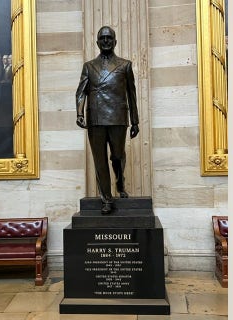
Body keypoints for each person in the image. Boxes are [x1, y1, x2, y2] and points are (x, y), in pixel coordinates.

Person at [75, 26, 139, 214]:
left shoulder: (125, 65)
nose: (105, 41)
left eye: (109, 38)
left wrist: (135, 121)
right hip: (95, 119)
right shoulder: (89, 66)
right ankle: (107, 199)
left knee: (117, 157)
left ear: (115, 41)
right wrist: (79, 113)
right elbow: (81, 92)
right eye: (102, 38)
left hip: (118, 117)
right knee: (99, 160)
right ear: (97, 42)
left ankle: (120, 184)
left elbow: (132, 95)